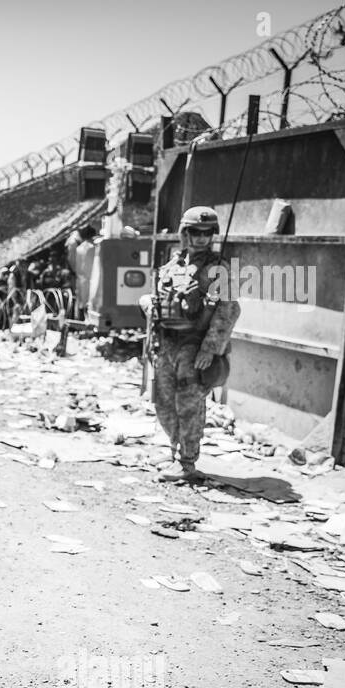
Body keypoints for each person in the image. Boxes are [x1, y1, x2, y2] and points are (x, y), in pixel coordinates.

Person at [141, 206, 241, 482]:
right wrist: (148, 307)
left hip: (194, 347)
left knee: (189, 404)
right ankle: (174, 450)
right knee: (163, 403)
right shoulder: (172, 265)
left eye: (207, 233)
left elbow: (228, 310)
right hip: (166, 344)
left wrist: (210, 349)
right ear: (185, 233)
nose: (201, 237)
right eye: (195, 232)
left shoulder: (218, 269)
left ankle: (187, 462)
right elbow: (157, 299)